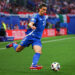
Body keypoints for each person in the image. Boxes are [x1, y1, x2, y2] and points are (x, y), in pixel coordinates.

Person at [6, 3, 47, 70]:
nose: (45, 11)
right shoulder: (36, 16)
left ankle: (33, 65)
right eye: (43, 10)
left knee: (38, 51)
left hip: (37, 39)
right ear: (39, 9)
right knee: (18, 50)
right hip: (30, 37)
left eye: (45, 10)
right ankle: (13, 44)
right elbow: (30, 23)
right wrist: (31, 26)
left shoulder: (44, 17)